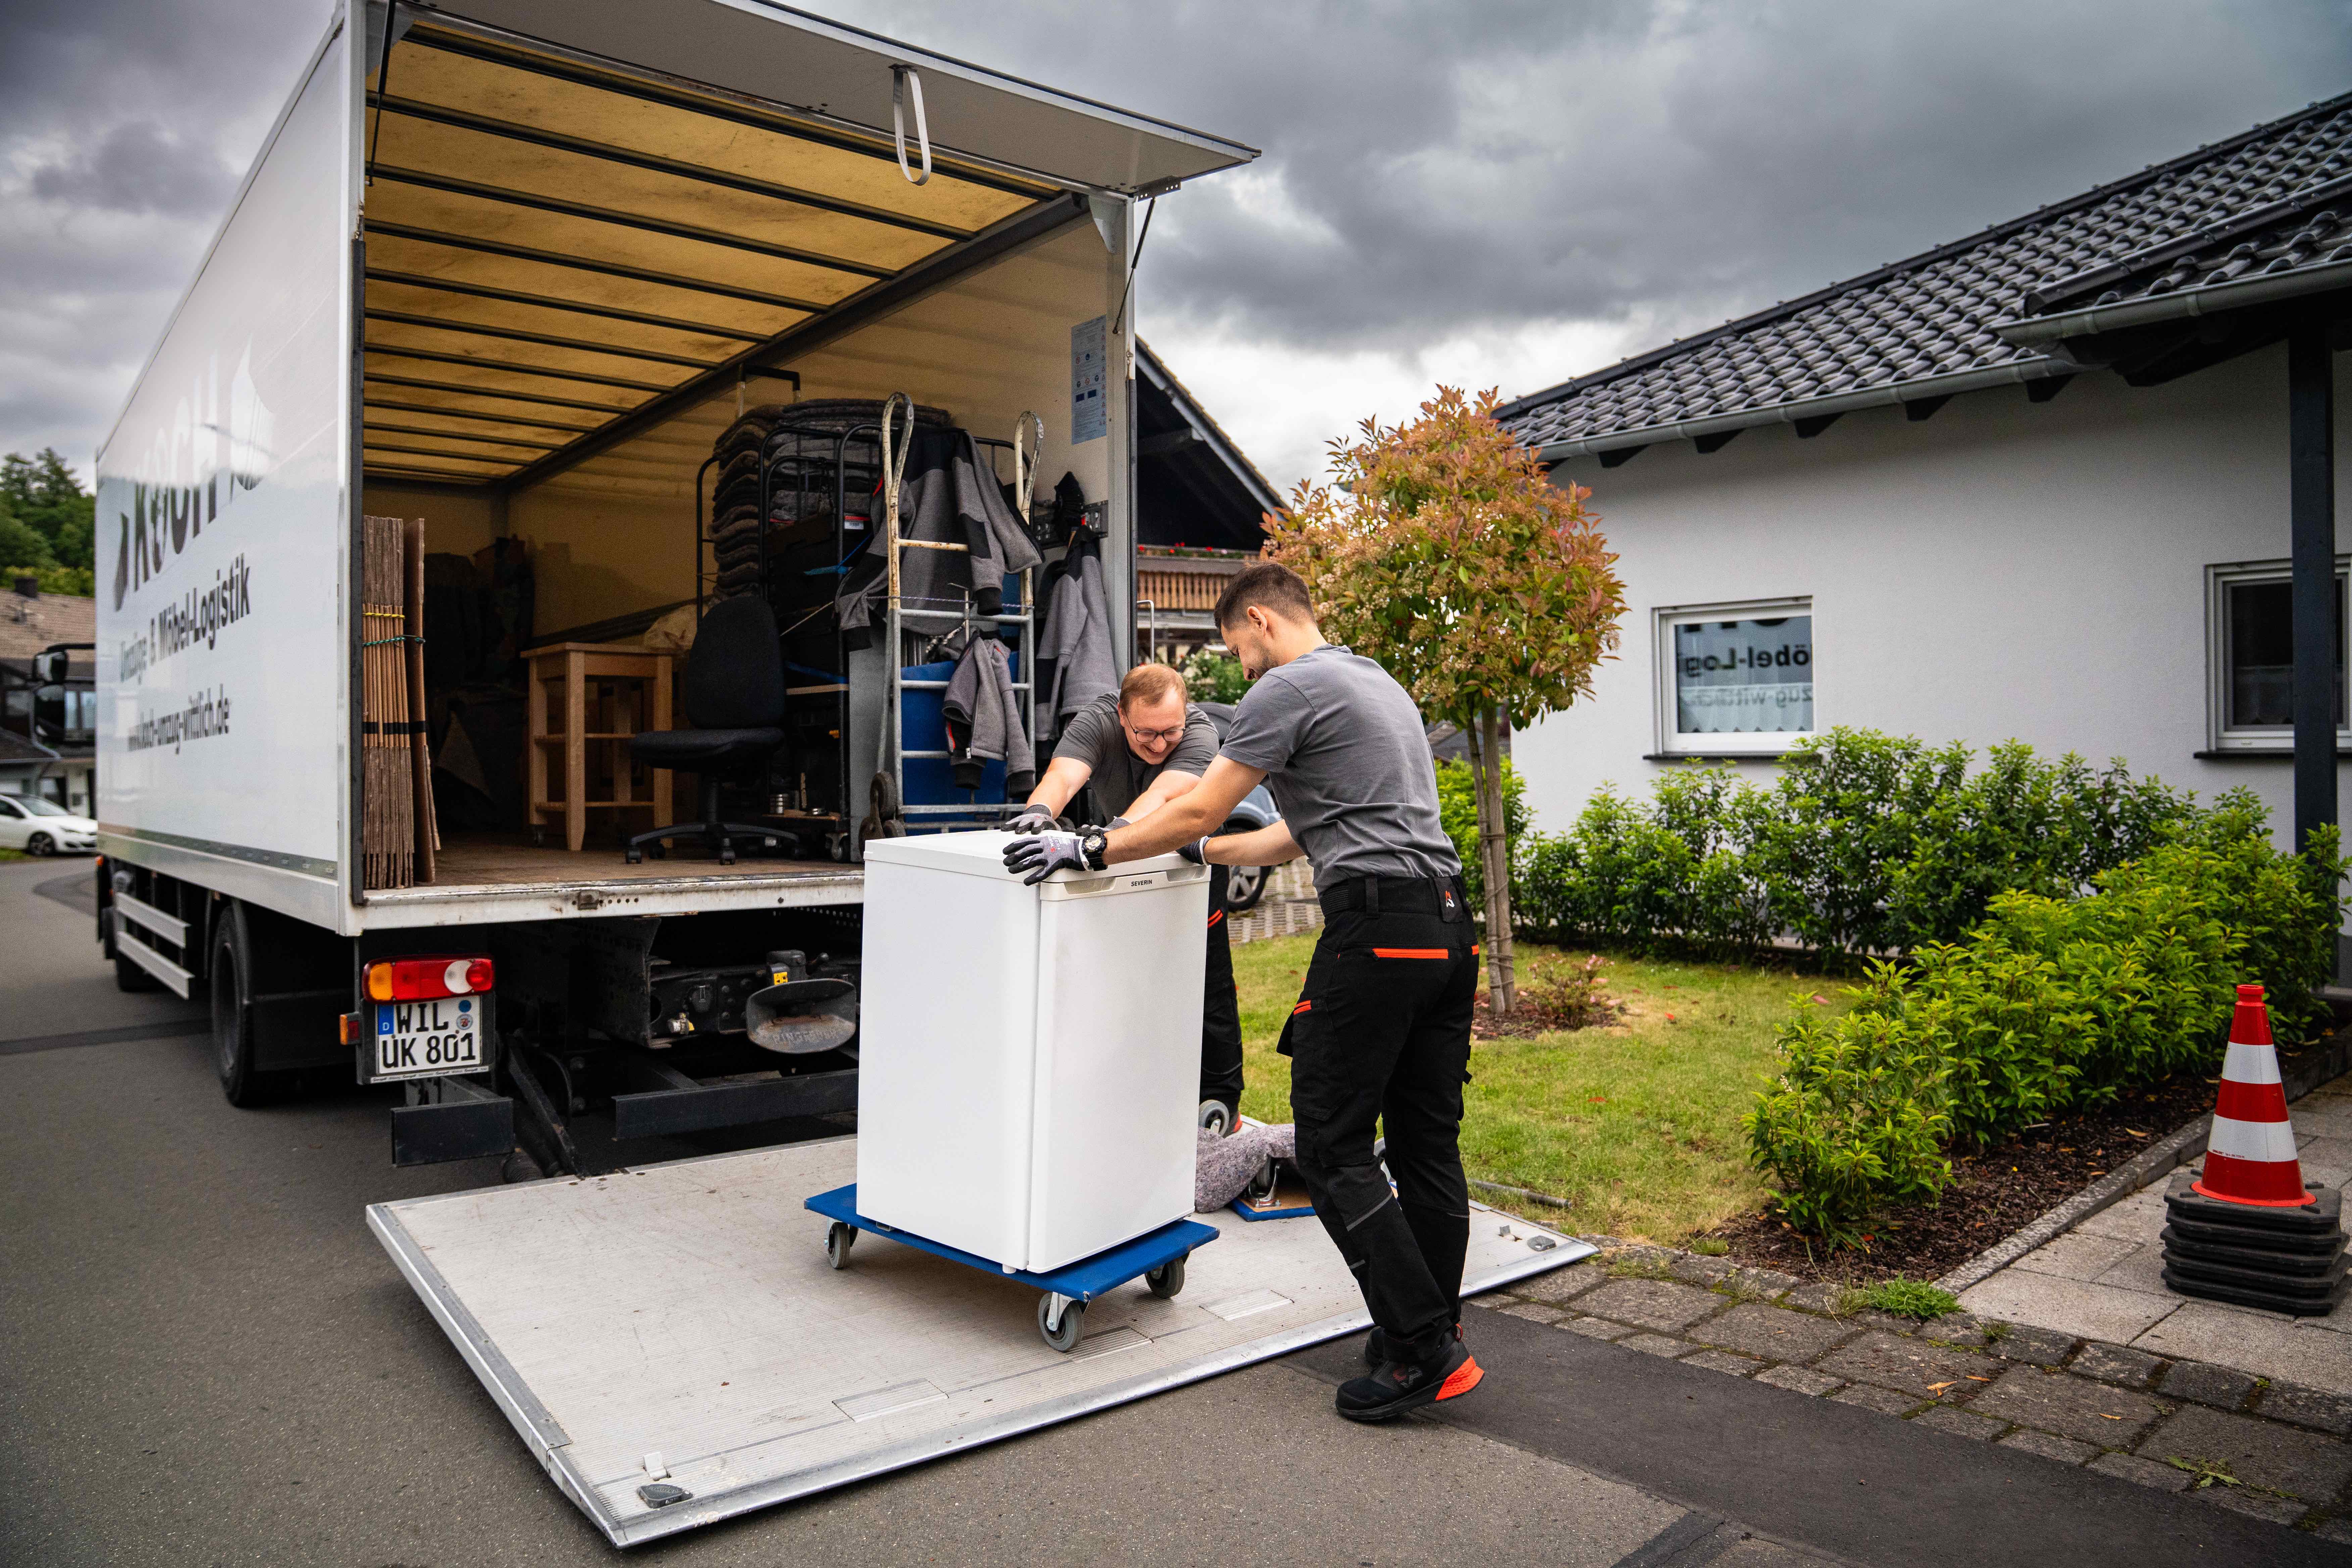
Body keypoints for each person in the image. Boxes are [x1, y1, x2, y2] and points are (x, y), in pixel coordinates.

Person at [1003, 562, 1480, 1424]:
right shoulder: (1376, 683)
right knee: (1424, 1148)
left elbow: (1196, 806)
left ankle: (1423, 1349)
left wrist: (1090, 852)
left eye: (1237, 650)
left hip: (1375, 929)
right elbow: (1290, 834)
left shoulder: (1286, 690)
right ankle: (1426, 1324)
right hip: (1447, 925)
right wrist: (1205, 857)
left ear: (1259, 620)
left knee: (1333, 1148)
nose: (1242, 670)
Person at [1009, 663, 1244, 1128]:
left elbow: (1159, 801)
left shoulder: (1200, 736)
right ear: (1121, 714)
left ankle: (1220, 1102)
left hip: (1189, 863)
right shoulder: (1097, 720)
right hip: (1119, 856)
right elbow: (1064, 776)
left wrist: (1098, 844)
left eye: (1168, 734)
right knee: (1128, 978)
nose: (1159, 745)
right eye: (1146, 735)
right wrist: (1037, 815)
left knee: (1207, 979)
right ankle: (1136, 1094)